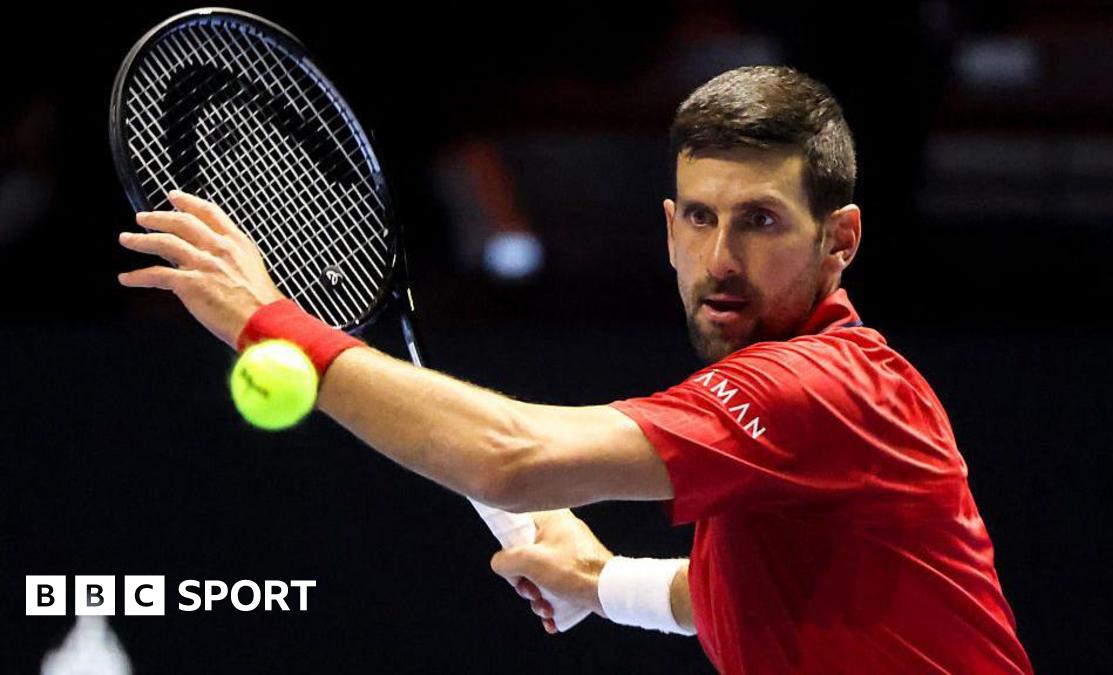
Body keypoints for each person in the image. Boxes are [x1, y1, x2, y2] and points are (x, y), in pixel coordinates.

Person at [117, 66, 1032, 673]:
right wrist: (600, 581)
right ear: (669, 230)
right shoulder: (793, 433)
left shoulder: (818, 386)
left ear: (842, 240)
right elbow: (750, 594)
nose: (720, 257)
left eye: (760, 221)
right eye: (702, 220)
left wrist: (263, 322)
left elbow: (508, 457)